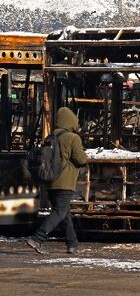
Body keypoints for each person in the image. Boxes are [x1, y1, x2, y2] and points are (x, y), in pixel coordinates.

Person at [26, 107, 88, 255]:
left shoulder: (51, 137)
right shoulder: (73, 138)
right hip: (65, 182)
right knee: (59, 212)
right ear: (72, 121)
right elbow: (81, 159)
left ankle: (72, 244)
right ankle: (37, 238)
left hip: (50, 181)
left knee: (64, 213)